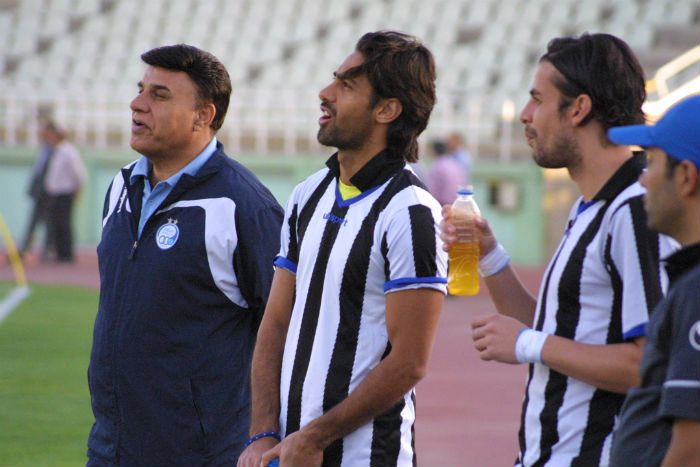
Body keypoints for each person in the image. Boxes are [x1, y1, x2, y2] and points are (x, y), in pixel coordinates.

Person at [440, 33, 678, 467]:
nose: (525, 115)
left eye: (537, 100)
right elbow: (560, 331)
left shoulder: (632, 210)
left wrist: (528, 344)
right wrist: (490, 257)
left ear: (578, 108)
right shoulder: (592, 205)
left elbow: (648, 366)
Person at [238, 31, 447, 467]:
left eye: (347, 85)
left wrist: (314, 438)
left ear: (387, 110)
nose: (325, 93)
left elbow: (409, 362)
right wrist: (263, 433)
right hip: (290, 452)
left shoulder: (411, 212)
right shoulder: (308, 194)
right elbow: (275, 321)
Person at [86, 44, 284, 466]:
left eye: (159, 95)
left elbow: (288, 329)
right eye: (141, 90)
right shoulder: (121, 187)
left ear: (203, 115)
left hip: (201, 454)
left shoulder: (243, 207)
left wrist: (268, 435)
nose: (137, 104)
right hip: (110, 448)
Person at [607, 94, 700, 467]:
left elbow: (691, 450)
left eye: (652, 163)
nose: (643, 179)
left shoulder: (697, 289)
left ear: (686, 177)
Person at [40, 122, 87, 263]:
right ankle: (59, 253)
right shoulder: (55, 151)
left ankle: (66, 254)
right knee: (55, 224)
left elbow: (79, 173)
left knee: (64, 224)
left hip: (65, 193)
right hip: (54, 193)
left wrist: (77, 190)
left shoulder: (69, 151)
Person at [19, 122, 55, 259]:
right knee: (33, 221)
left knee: (49, 222)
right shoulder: (44, 149)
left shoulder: (55, 150)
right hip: (39, 191)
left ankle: (48, 250)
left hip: (48, 192)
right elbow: (38, 170)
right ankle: (25, 248)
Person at [425, 138, 467, 205]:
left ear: (434, 151)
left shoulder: (438, 165)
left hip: (444, 204)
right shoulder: (454, 162)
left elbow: (431, 190)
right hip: (458, 202)